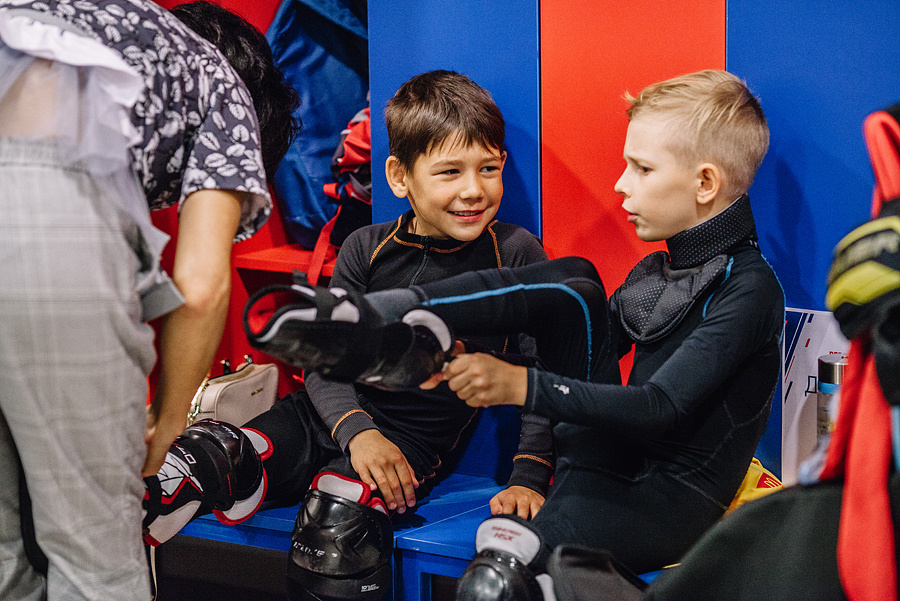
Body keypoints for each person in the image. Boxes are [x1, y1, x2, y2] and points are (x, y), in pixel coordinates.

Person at [250, 69, 785, 597]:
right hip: (602, 461)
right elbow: (576, 346)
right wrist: (463, 363)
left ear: (706, 183)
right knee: (576, 283)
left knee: (497, 580)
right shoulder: (657, 271)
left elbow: (658, 407)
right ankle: (395, 320)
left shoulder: (751, 290)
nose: (621, 183)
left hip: (667, 500)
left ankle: (400, 316)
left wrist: (517, 388)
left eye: (641, 168)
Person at [144, 70, 551, 600]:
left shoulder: (516, 254)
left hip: (406, 446)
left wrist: (529, 475)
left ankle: (279, 490)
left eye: (489, 169)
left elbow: (543, 376)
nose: (473, 190)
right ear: (399, 177)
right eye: (449, 171)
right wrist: (357, 430)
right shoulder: (364, 246)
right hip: (321, 415)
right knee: (202, 455)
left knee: (337, 523)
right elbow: (323, 362)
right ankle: (222, 488)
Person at [0, 1, 299, 599]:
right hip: (39, 215)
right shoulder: (224, 83)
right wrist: (165, 428)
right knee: (97, 554)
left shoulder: (89, 30)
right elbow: (202, 286)